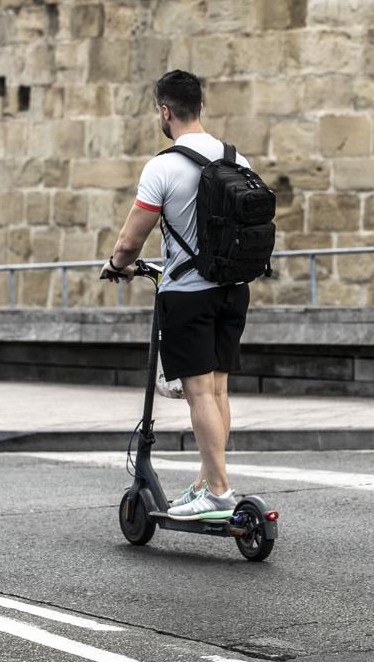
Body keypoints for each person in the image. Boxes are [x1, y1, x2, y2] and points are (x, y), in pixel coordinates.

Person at [100, 69, 251, 521]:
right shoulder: (234, 157)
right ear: (200, 106)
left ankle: (219, 491)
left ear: (165, 111)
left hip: (188, 292)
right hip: (233, 288)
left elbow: (130, 242)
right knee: (219, 390)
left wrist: (116, 266)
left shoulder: (163, 166)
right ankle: (208, 482)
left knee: (198, 393)